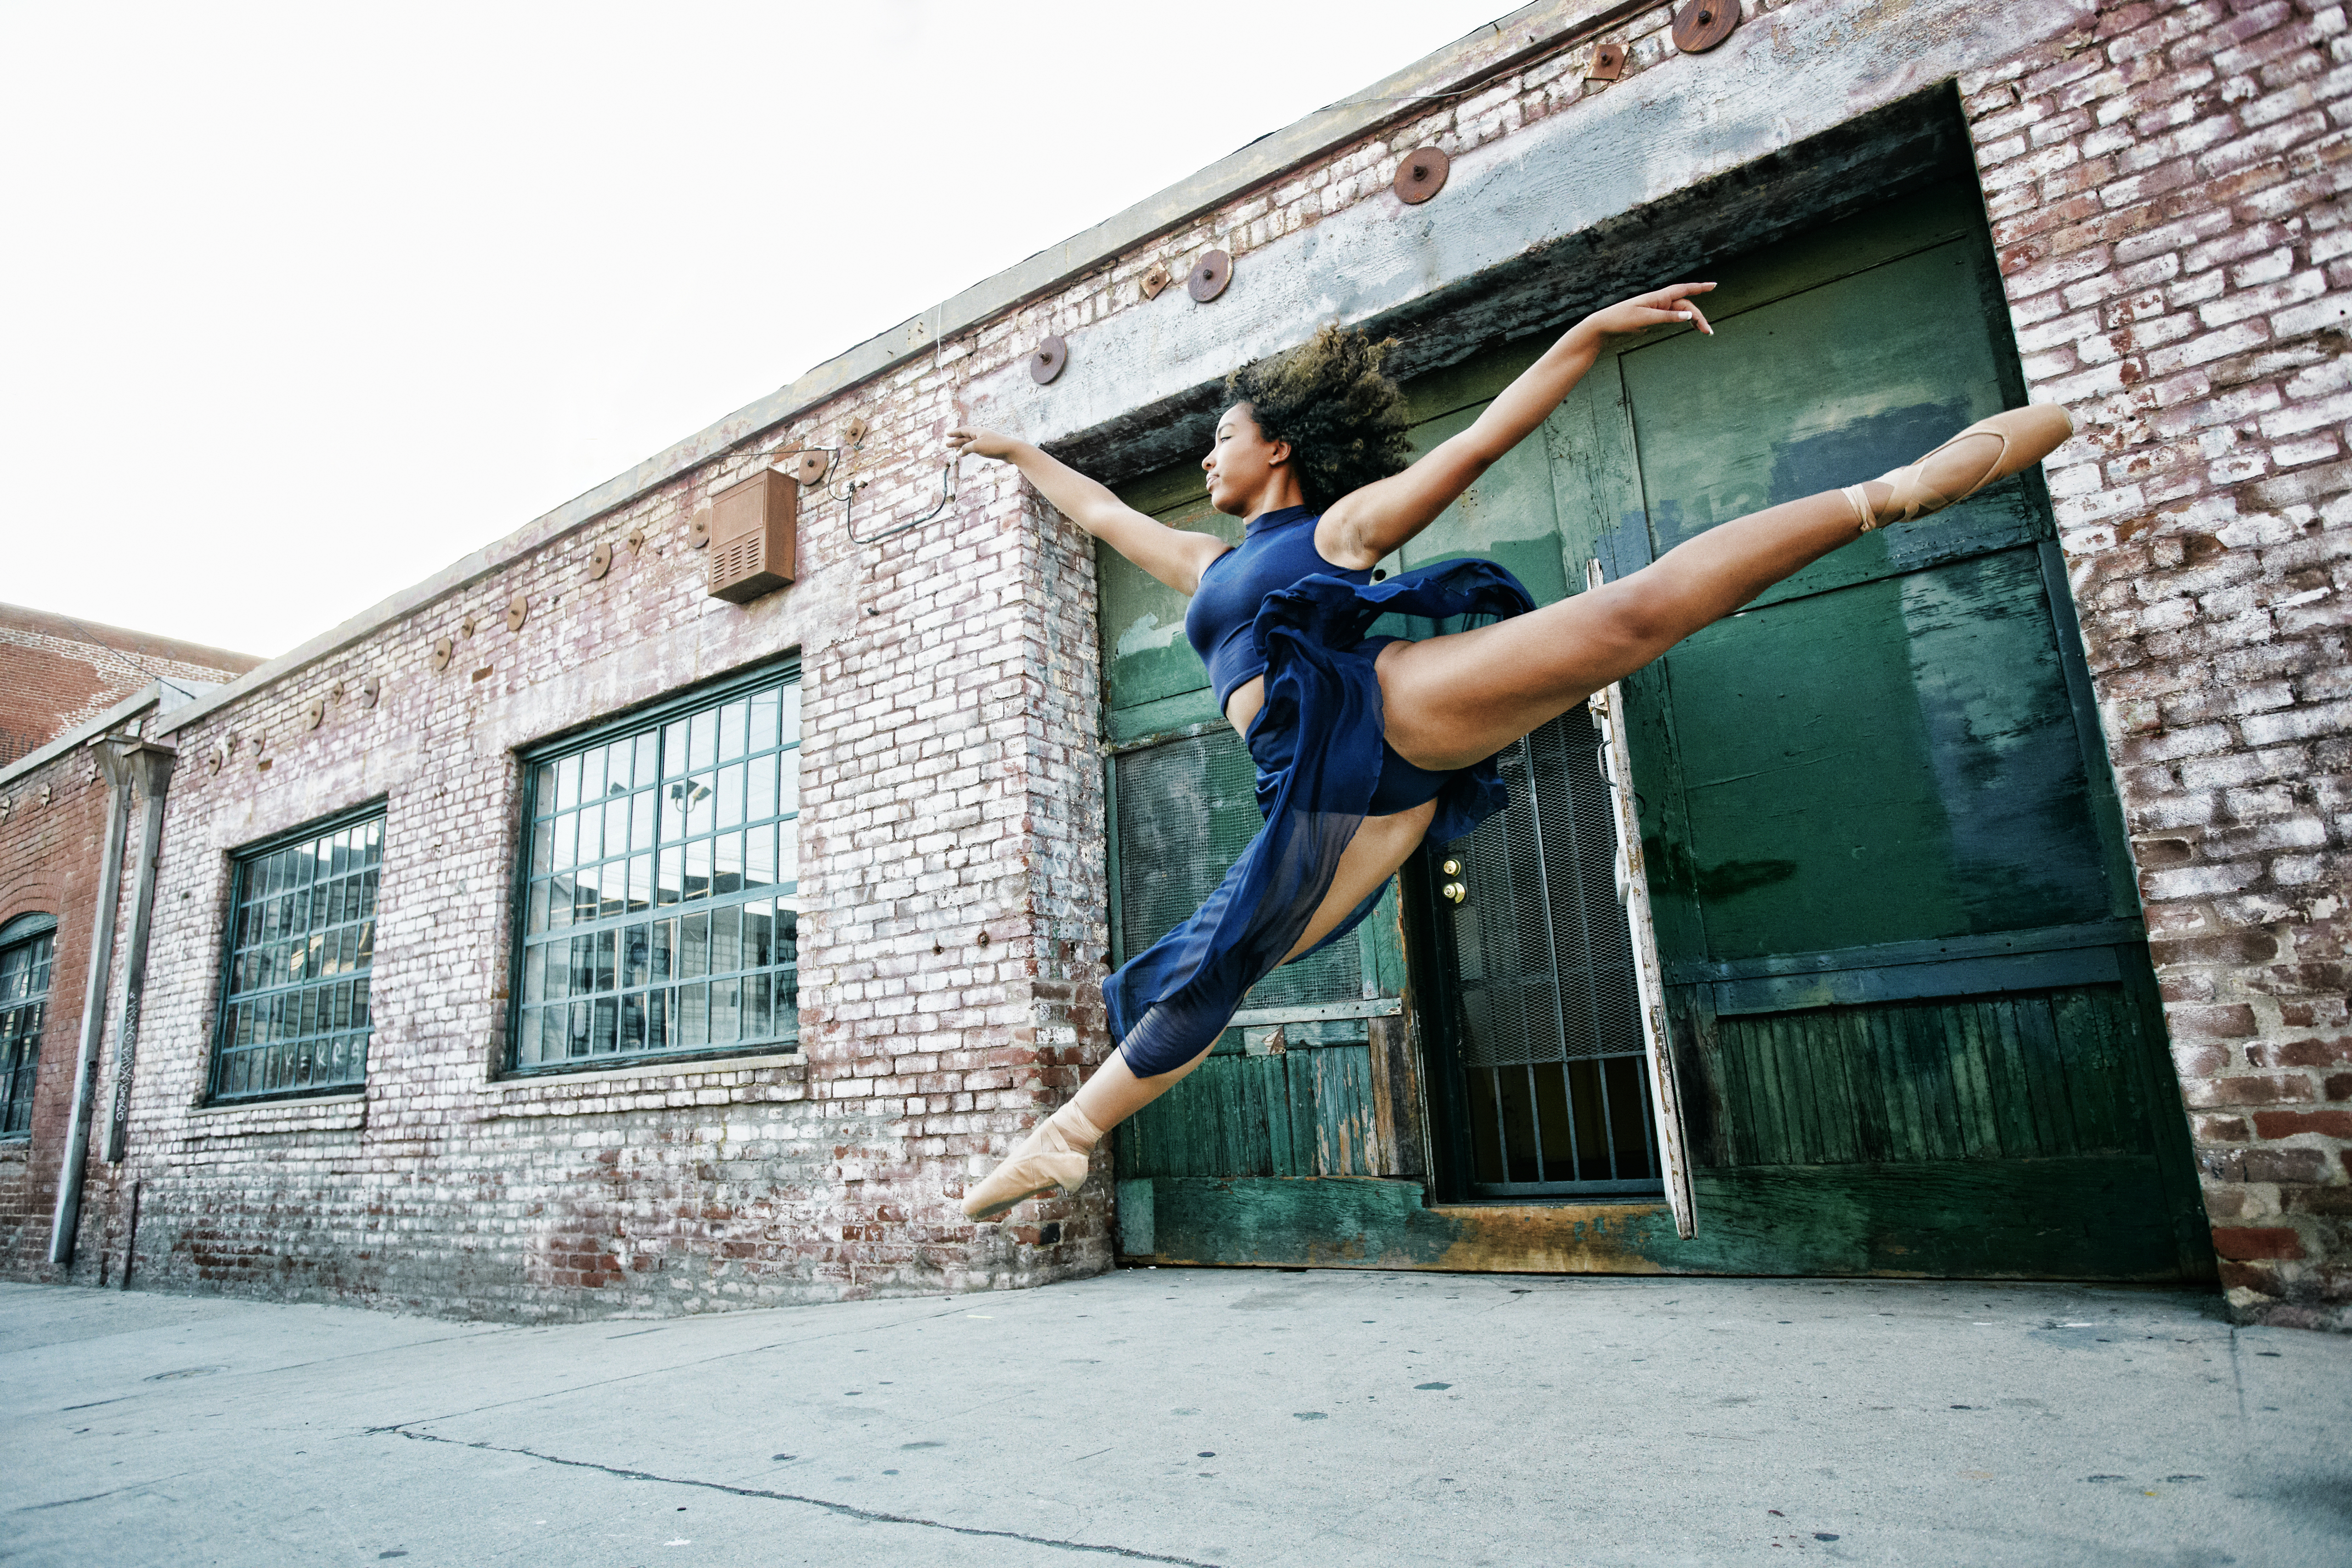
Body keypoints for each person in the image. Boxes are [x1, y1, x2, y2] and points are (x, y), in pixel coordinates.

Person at [944, 282, 2071, 1222]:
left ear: (1278, 447)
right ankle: (1069, 1137)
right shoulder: (1200, 562)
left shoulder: (1335, 529)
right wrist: (1017, 450)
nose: (1204, 457)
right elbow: (1095, 513)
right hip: (1313, 792)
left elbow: (1483, 441)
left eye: (1222, 437)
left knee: (1628, 623)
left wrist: (1582, 337)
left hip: (1378, 710)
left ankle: (1891, 492)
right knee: (1222, 961)